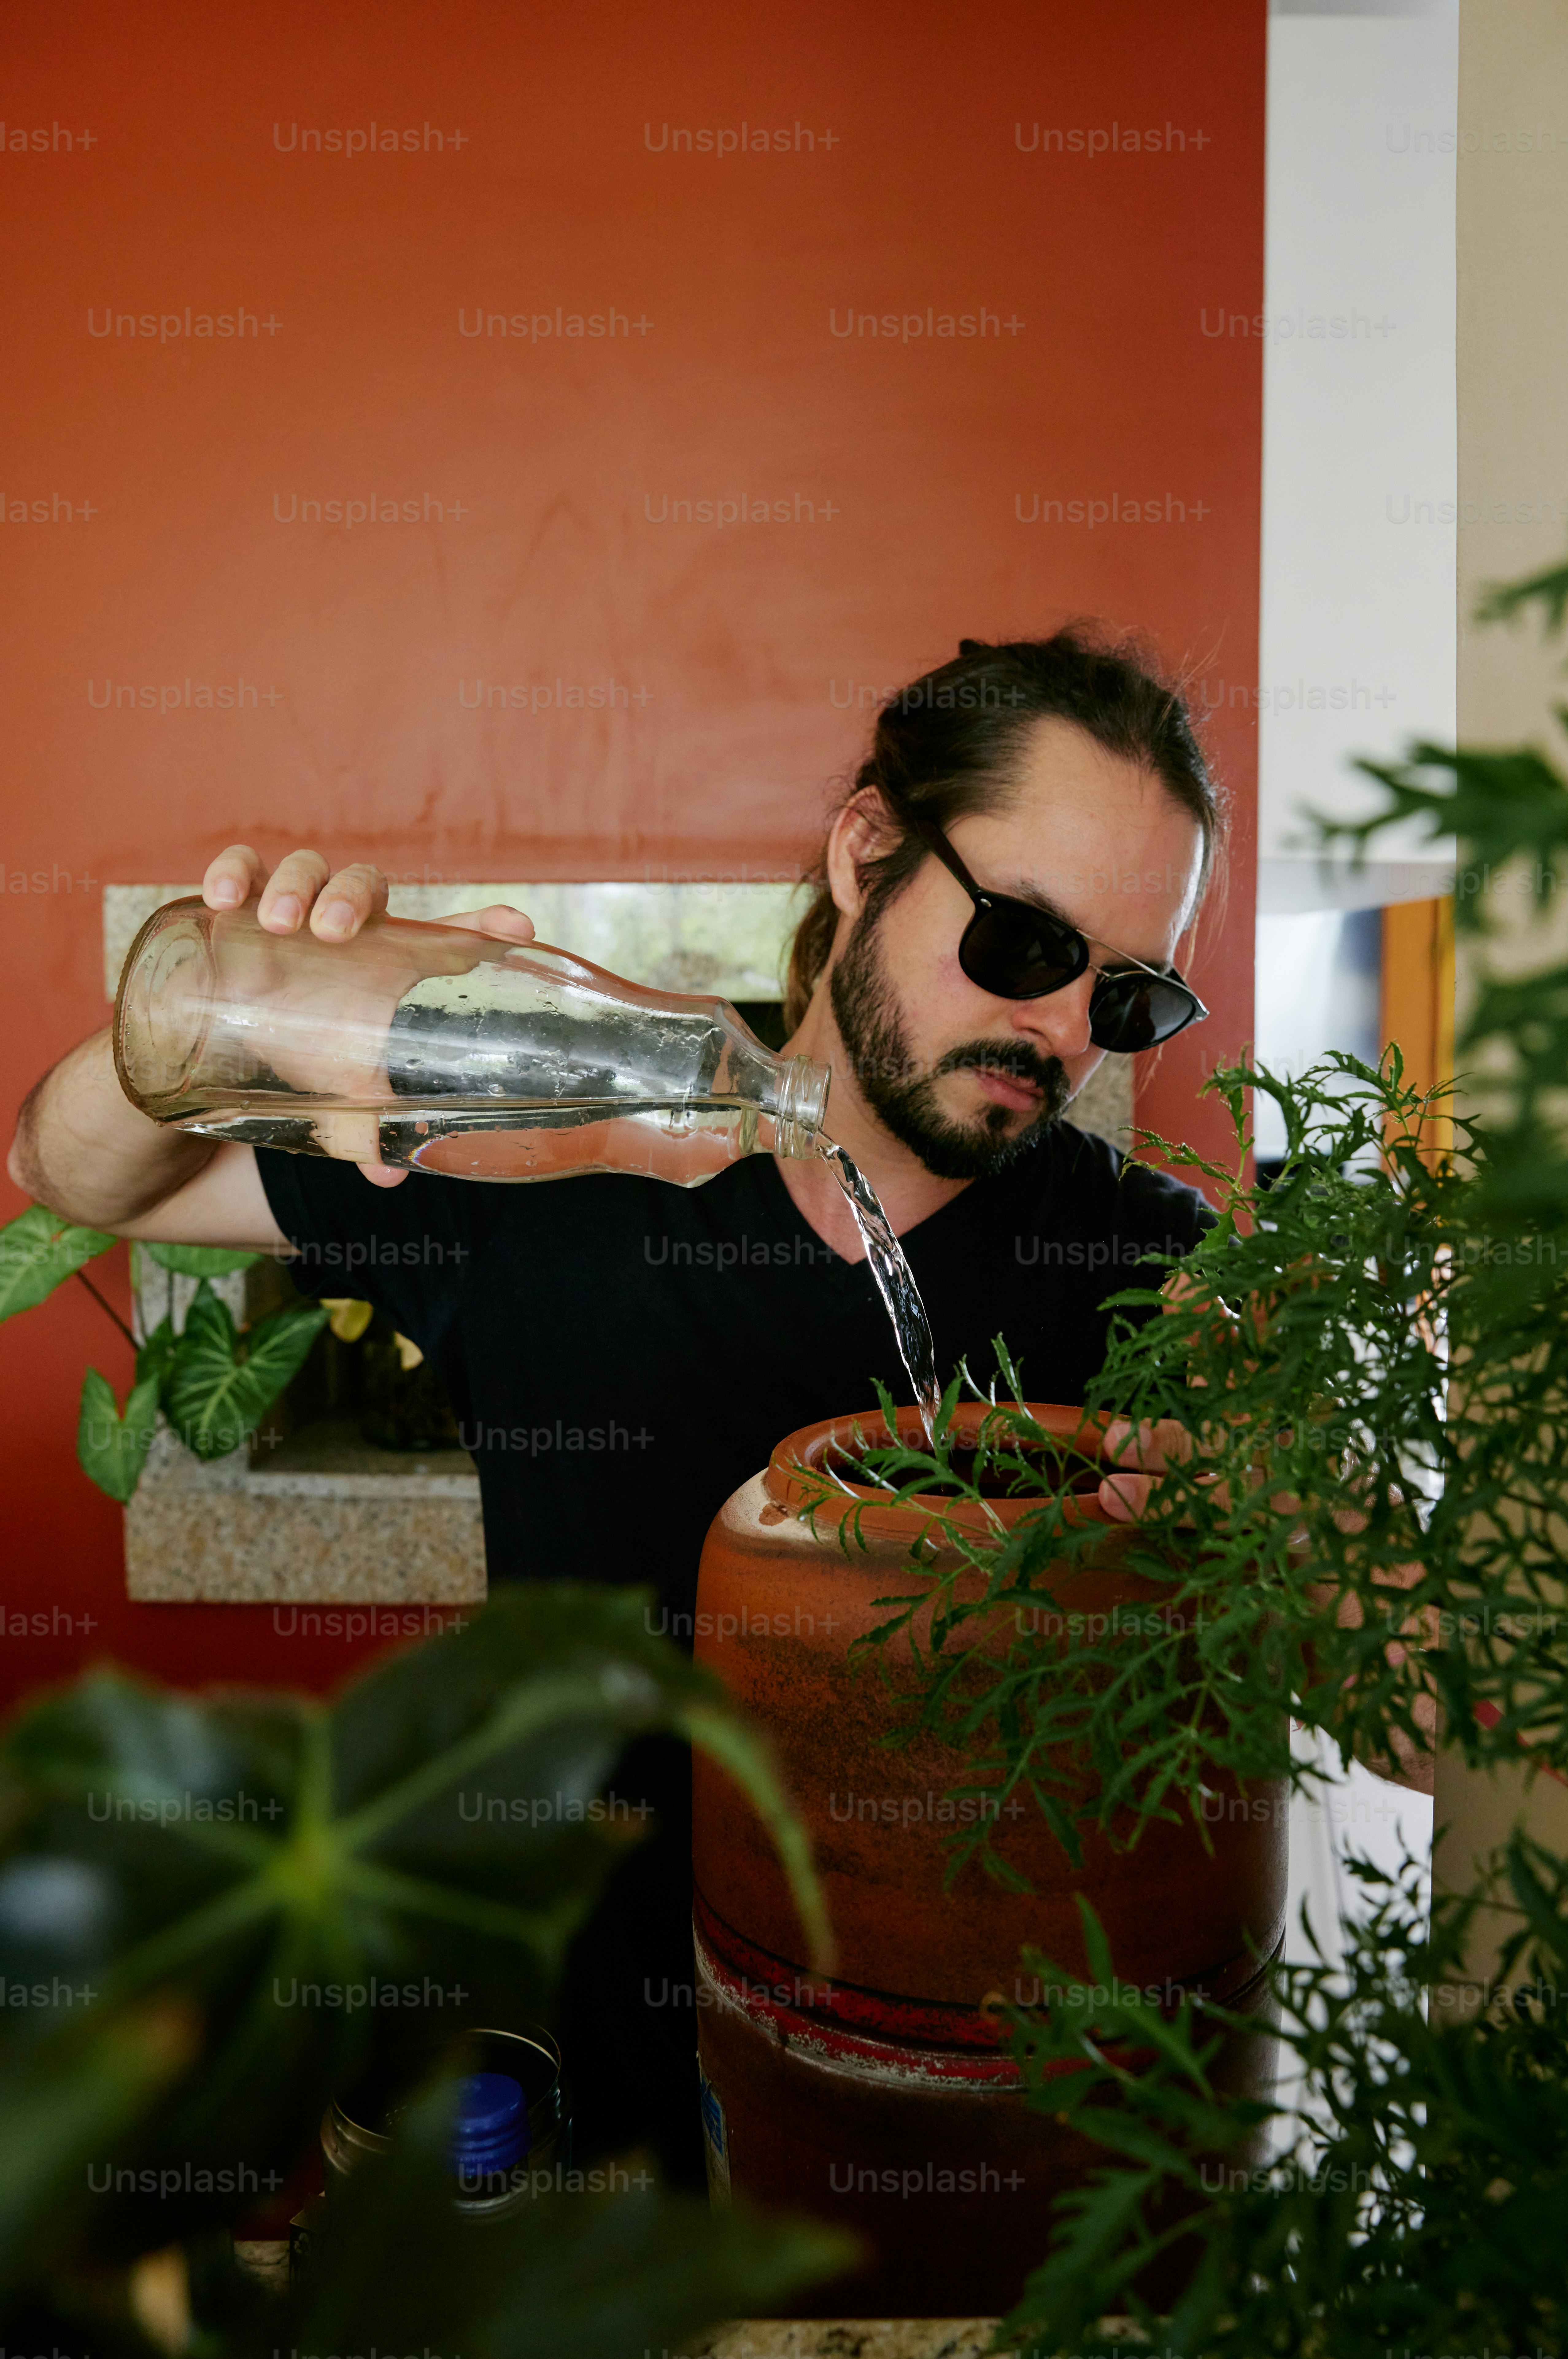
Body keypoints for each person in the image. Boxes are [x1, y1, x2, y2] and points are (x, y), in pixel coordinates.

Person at [8, 626, 1222, 2180]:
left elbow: (1298, 1560)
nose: (1062, 1033)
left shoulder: (1140, 1263)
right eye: (1028, 946)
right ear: (867, 852)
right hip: (585, 2046)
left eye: (1125, 1001)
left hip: (958, 2073)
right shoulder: (544, 1139)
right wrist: (217, 1008)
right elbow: (71, 1173)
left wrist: (1249, 1503)